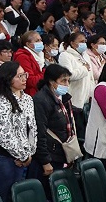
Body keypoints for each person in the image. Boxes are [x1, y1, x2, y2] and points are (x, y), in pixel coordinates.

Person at [0, 61, 36, 201]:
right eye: (19, 76)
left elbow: (32, 128)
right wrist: (21, 156)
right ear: (8, 79)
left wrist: (29, 153)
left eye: (24, 75)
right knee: (4, 195)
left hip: (25, 156)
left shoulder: (27, 99)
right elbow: (4, 135)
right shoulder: (0, 102)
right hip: (5, 158)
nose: (24, 79)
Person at [30, 64, 76, 200]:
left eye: (68, 81)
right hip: (49, 156)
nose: (66, 84)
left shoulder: (64, 98)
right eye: (63, 81)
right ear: (51, 81)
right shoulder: (41, 100)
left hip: (62, 153)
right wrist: (45, 161)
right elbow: (40, 132)